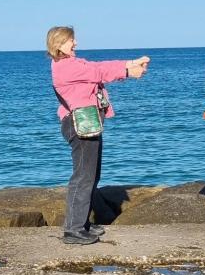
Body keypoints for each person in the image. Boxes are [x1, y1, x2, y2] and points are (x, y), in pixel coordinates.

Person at [47, 26, 149, 245]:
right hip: (80, 125)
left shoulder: (74, 63)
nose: (75, 43)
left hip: (88, 123)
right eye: (70, 40)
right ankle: (73, 230)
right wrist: (130, 71)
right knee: (83, 177)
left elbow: (98, 68)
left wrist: (129, 64)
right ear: (58, 44)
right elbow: (99, 72)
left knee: (91, 175)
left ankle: (81, 224)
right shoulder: (66, 67)